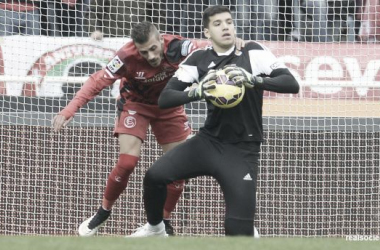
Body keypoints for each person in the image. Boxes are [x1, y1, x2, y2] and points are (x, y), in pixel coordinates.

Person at [52, 21, 245, 237]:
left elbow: (205, 47)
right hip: (135, 105)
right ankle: (103, 211)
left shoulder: (177, 47)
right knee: (127, 162)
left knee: (178, 170)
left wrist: (231, 45)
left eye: (154, 48)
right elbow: (97, 81)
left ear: (160, 39)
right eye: (144, 52)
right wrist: (69, 109)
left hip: (168, 107)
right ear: (136, 48)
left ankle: (163, 222)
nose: (151, 55)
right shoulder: (125, 56)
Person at [128, 5, 299, 237]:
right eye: (217, 24)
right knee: (155, 176)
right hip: (208, 143)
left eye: (228, 22)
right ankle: (156, 229)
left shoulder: (253, 51)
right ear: (207, 33)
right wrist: (198, 91)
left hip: (242, 149)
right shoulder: (199, 58)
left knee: (237, 233)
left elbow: (291, 83)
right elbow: (166, 98)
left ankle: (248, 230)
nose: (225, 27)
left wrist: (253, 80)